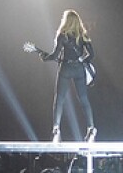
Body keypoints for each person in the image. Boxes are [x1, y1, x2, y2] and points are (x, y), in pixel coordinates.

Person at [40, 9, 96, 143]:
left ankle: (56, 129)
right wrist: (82, 60)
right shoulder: (83, 35)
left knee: (59, 99)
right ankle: (91, 128)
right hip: (79, 69)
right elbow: (92, 55)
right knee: (84, 99)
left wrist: (44, 57)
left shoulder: (62, 35)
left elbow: (55, 55)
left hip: (66, 68)